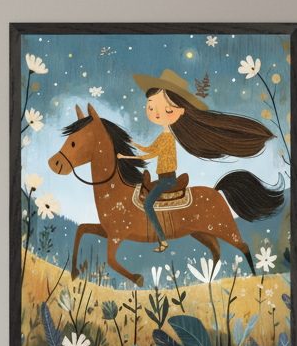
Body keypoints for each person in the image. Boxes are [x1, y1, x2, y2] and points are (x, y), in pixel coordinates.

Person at [117, 68, 275, 253]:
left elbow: (150, 155)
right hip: (163, 178)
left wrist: (128, 156)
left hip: (167, 180)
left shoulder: (167, 138)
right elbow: (150, 149)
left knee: (147, 204)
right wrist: (132, 144)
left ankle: (162, 240)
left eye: (167, 110)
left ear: (180, 111)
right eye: (151, 108)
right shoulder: (164, 135)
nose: (156, 113)